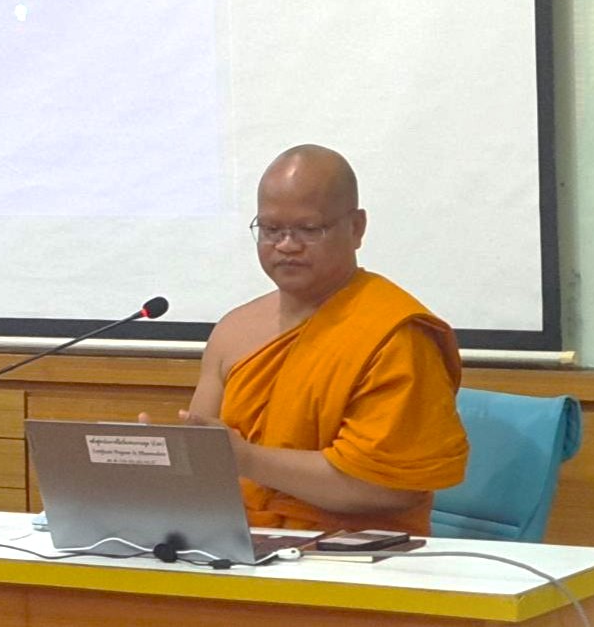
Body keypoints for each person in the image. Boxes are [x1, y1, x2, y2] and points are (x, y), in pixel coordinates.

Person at [175, 144, 468, 535]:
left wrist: (248, 460)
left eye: (308, 230)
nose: (286, 245)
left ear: (357, 228)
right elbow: (202, 457)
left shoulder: (392, 334)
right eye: (271, 230)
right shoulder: (233, 330)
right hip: (235, 546)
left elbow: (391, 487)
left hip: (355, 553)